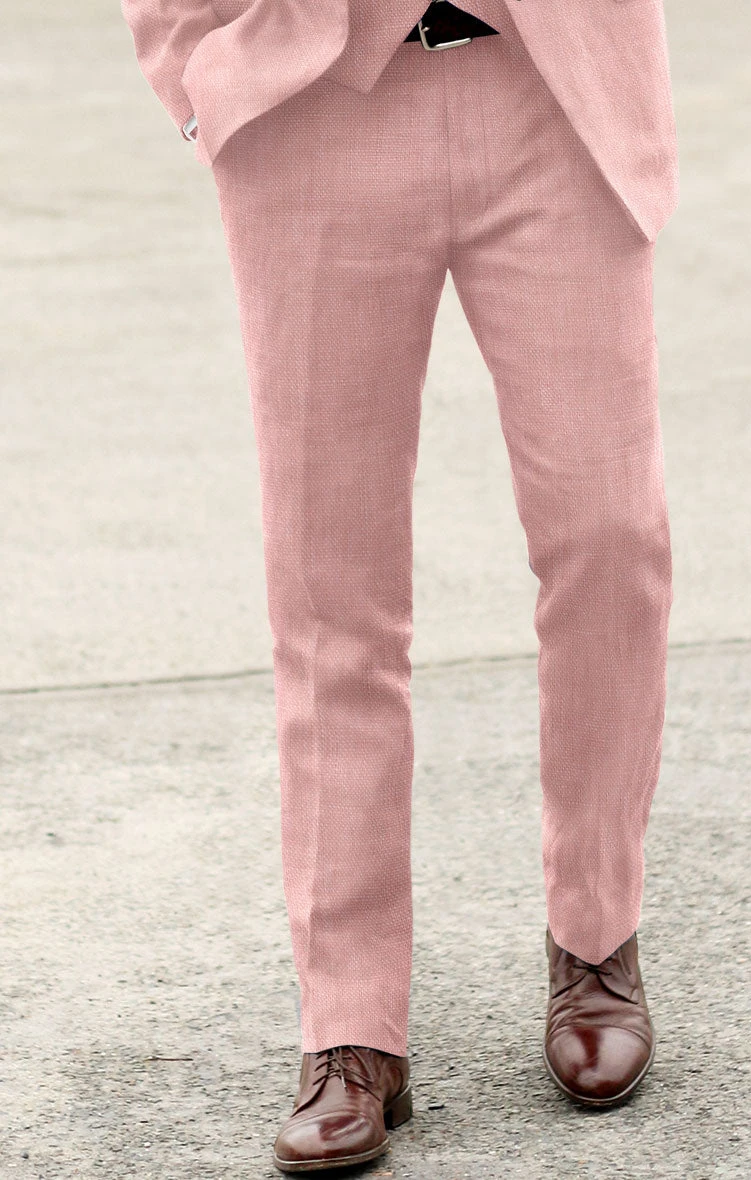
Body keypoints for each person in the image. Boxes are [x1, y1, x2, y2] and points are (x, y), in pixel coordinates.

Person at [120, 0, 679, 1171]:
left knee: (610, 538)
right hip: (310, 101)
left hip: (554, 86)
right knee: (331, 584)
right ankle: (350, 1023)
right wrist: (191, 65)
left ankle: (596, 937)